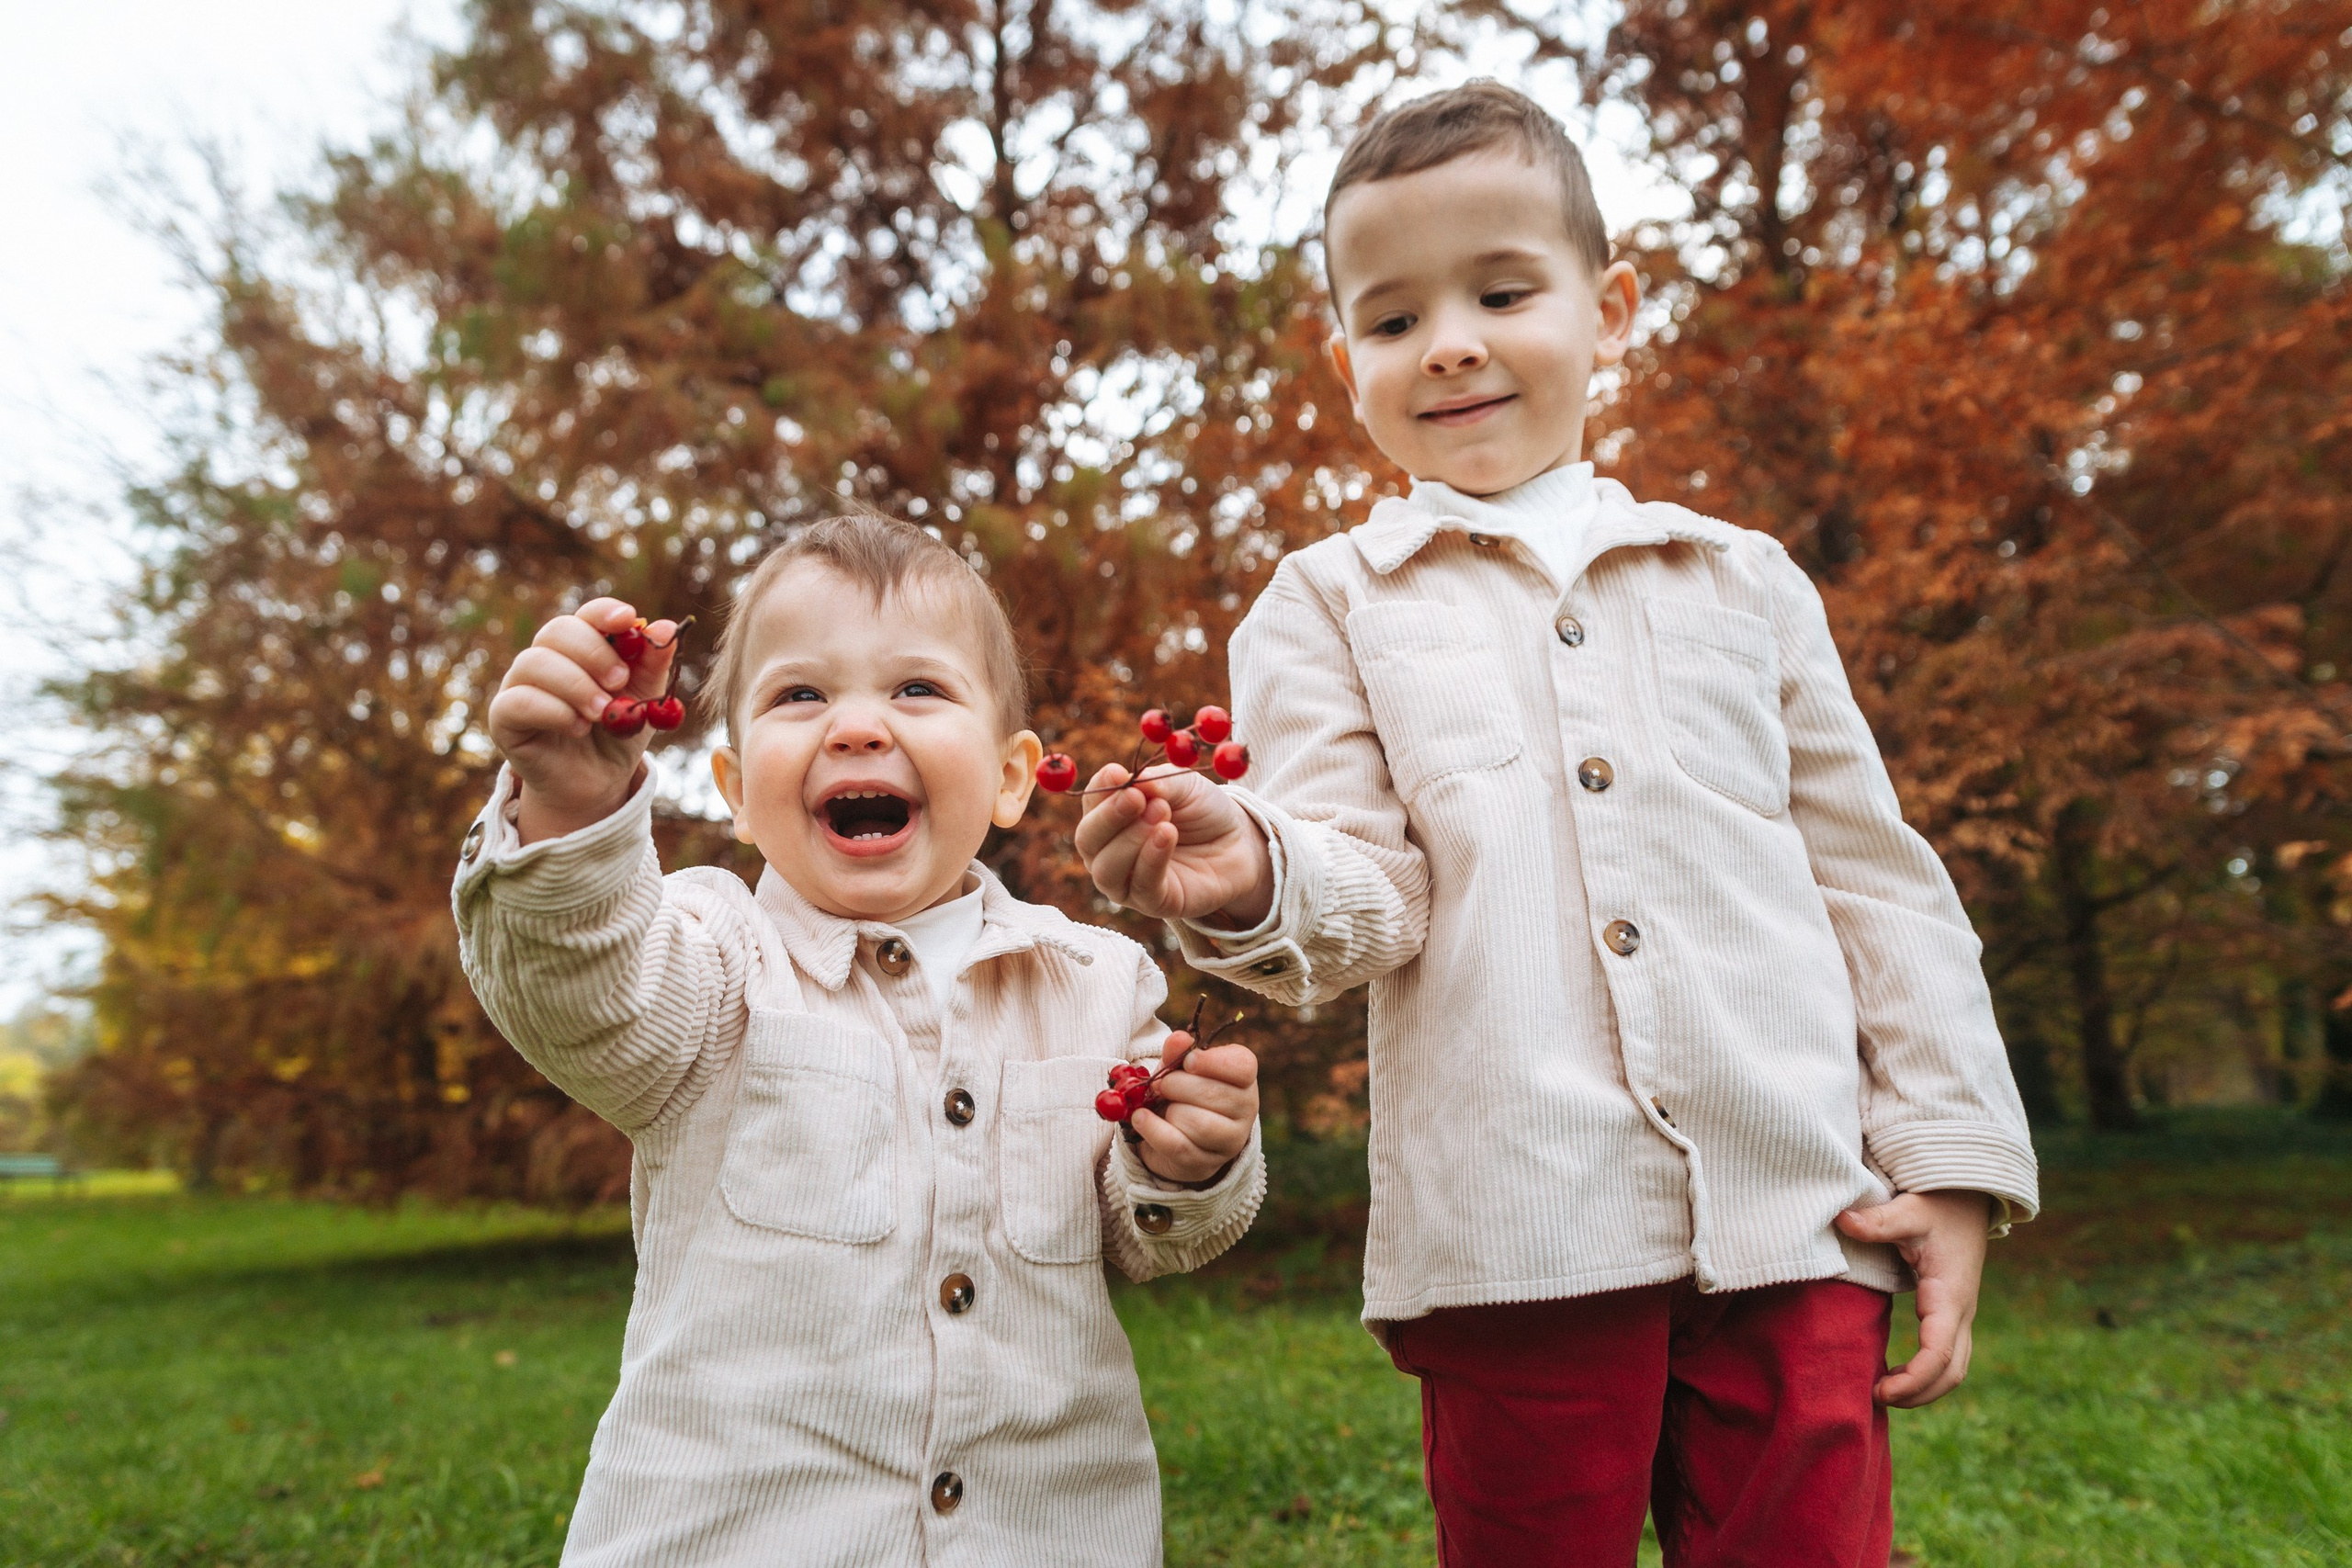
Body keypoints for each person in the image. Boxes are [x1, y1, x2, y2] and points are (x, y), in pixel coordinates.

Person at [1073, 81, 2039, 1567]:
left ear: (1613, 310)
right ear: (1345, 364)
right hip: (1516, 1232)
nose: (1450, 341)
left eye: (1503, 291)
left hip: (1799, 1207)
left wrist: (1950, 1156)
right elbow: (1364, 888)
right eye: (1395, 318)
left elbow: (1876, 880)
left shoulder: (1742, 581)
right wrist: (1253, 869)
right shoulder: (1325, 604)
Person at [454, 513, 1265, 1567]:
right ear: (738, 795)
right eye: (799, 695)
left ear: (1012, 777)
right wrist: (572, 808)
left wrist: (1191, 1164)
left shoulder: (1092, 981)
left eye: (917, 688)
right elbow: (577, 989)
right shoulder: (711, 959)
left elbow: (1149, 1234)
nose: (854, 726)